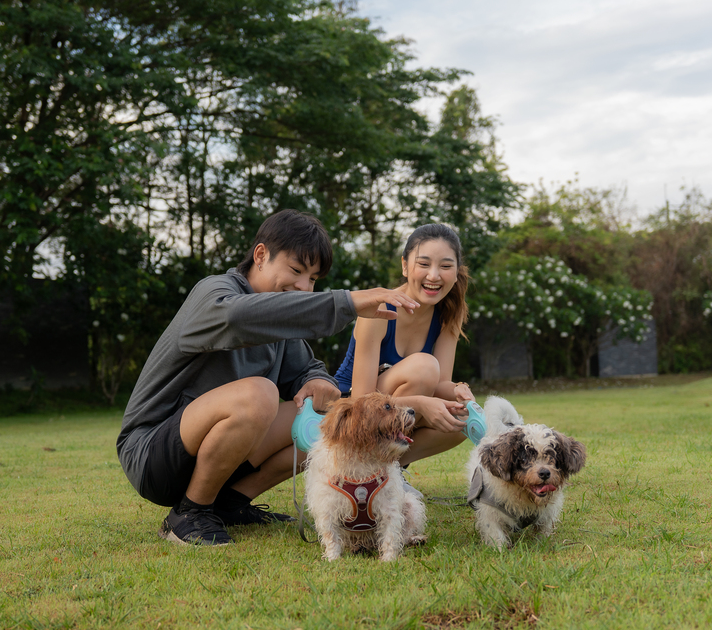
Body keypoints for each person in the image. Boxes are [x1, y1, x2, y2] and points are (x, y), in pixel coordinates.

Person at [116, 209, 419, 547]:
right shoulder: (214, 293)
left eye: (313, 279)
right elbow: (236, 319)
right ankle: (190, 512)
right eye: (296, 271)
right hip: (153, 455)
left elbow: (307, 369)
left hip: (217, 455)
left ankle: (230, 504)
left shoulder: (281, 326)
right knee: (260, 394)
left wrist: (320, 384)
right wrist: (346, 302)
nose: (304, 287)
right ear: (261, 255)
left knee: (325, 416)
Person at [333, 223, 476, 464]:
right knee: (424, 367)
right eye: (423, 264)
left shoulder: (449, 312)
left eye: (445, 266)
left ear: (456, 271)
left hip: (396, 416)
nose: (434, 276)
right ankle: (369, 465)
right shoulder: (380, 308)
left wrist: (457, 390)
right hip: (354, 412)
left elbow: (439, 384)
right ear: (405, 266)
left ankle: (389, 470)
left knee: (463, 420)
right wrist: (421, 404)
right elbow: (361, 401)